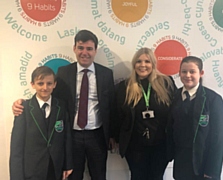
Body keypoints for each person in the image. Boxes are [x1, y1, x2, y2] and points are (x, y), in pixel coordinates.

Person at [12, 30, 115, 180]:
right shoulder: (63, 73)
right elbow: (50, 97)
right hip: (71, 136)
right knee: (73, 176)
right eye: (80, 48)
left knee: (99, 176)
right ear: (74, 49)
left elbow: (111, 106)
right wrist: (22, 103)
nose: (84, 52)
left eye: (89, 48)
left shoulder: (106, 74)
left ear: (95, 50)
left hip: (97, 136)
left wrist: (112, 134)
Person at [114, 47, 175, 180]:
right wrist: (116, 139)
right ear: (134, 64)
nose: (143, 65)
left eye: (147, 61)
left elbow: (174, 114)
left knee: (157, 177)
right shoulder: (124, 87)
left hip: (161, 146)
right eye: (139, 61)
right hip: (135, 147)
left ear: (153, 64)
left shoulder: (166, 83)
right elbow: (118, 116)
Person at [166, 56, 223, 180]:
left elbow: (219, 138)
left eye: (192, 71)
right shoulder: (174, 97)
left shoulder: (213, 99)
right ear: (179, 73)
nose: (187, 75)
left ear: (201, 73)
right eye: (184, 71)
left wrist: (212, 171)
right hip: (181, 164)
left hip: (204, 167)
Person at [10, 66, 73, 180]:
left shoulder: (61, 106)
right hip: (32, 170)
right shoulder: (24, 109)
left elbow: (66, 137)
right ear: (32, 84)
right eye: (40, 83)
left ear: (54, 84)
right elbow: (16, 148)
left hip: (55, 168)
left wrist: (68, 164)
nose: (45, 87)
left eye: (49, 83)